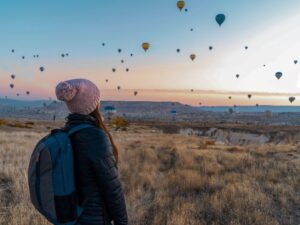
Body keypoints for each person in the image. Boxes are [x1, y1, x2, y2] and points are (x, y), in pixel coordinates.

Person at [55, 78, 128, 225]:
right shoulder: (95, 137)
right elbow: (112, 188)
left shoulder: (65, 133)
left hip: (69, 217)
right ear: (94, 105)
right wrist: (122, 222)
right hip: (94, 218)